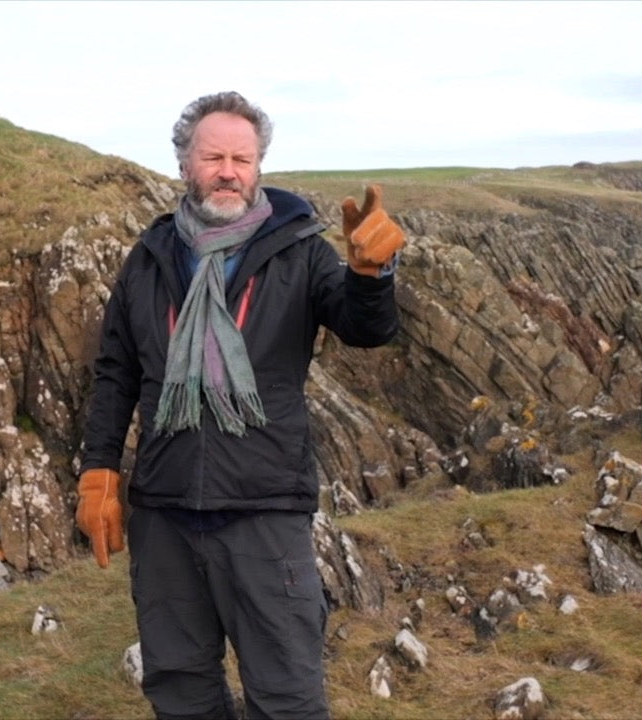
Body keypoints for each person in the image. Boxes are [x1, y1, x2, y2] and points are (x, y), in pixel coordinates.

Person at [75, 90, 404, 720]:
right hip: (165, 511)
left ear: (258, 168)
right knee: (180, 688)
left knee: (286, 696)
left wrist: (370, 279)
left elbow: (367, 329)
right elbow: (116, 374)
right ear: (184, 164)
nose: (228, 172)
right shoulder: (148, 260)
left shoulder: (300, 250)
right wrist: (100, 472)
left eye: (242, 159)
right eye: (213, 157)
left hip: (264, 510)